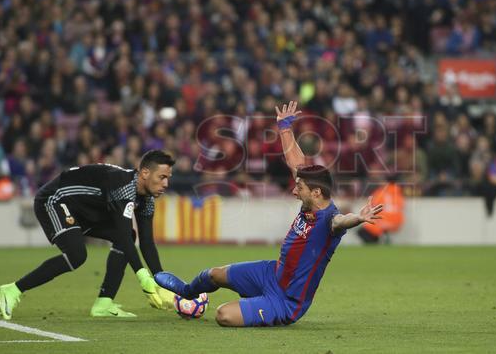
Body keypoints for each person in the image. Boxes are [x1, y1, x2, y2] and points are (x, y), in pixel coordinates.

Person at [155, 101, 384, 327]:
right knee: (214, 275)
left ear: (316, 193)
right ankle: (187, 292)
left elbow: (342, 221)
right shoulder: (310, 199)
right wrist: (284, 128)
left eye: (300, 188)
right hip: (271, 274)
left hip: (286, 301)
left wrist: (359, 218)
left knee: (223, 315)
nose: (294, 191)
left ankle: (255, 305)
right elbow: (297, 163)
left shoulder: (329, 220)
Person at [0, 150, 177, 319]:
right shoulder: (123, 186)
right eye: (161, 177)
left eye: (168, 178)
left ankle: (103, 304)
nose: (166, 184)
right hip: (55, 199)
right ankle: (12, 290)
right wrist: (144, 278)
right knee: (77, 255)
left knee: (129, 235)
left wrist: (162, 281)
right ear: (145, 173)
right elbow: (121, 233)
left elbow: (146, 242)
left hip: (85, 211)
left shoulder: (146, 199)